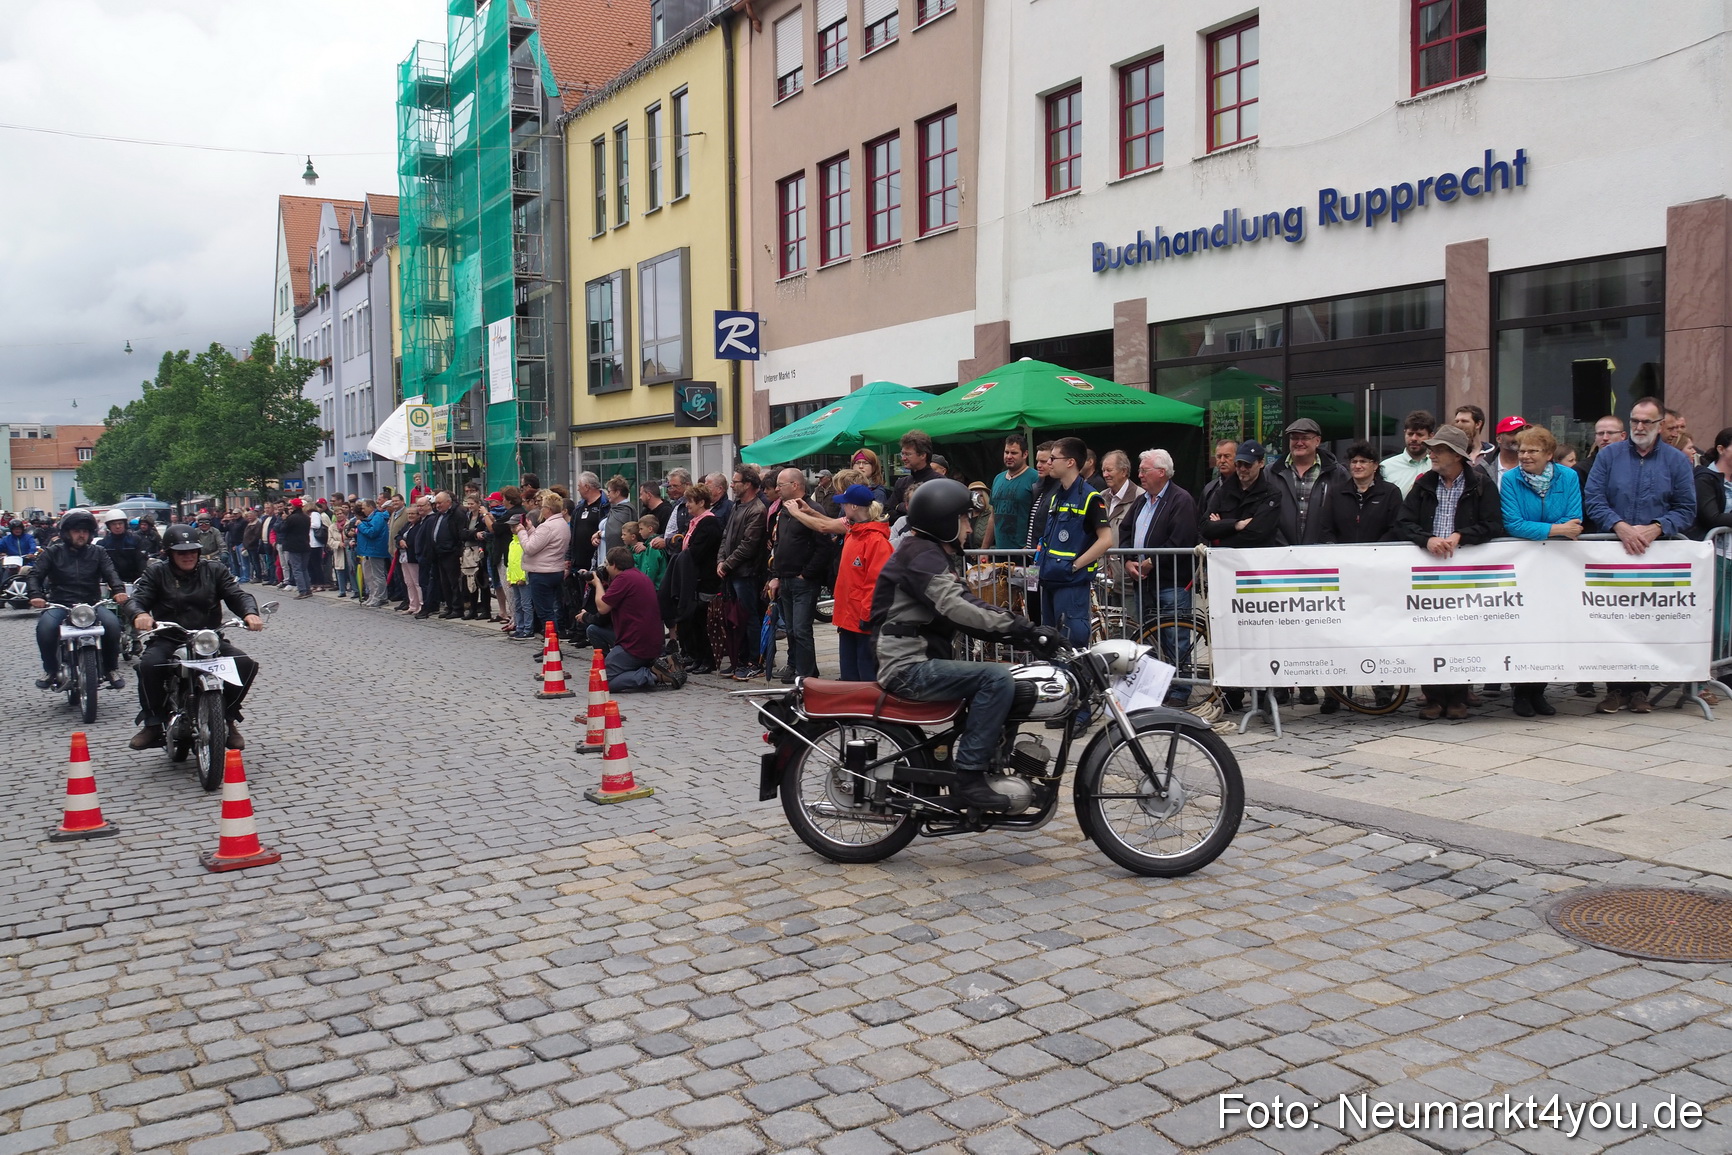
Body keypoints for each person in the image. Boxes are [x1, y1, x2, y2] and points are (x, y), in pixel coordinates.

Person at [872, 478, 1060, 812]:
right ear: (943, 520)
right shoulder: (920, 556)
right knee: (996, 678)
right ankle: (970, 776)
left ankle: (992, 761)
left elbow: (969, 607)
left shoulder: (928, 554)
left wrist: (1023, 632)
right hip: (908, 667)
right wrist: (1025, 629)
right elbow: (958, 608)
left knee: (1011, 679)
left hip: (919, 659)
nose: (969, 525)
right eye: (963, 518)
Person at [1584, 395, 1697, 714]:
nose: (1639, 426)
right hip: (1612, 551)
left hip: (1655, 554)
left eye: (1647, 421)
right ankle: (1614, 689)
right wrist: (1618, 525)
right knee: (1612, 621)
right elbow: (1593, 498)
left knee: (1647, 622)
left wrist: (1657, 527)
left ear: (1661, 425)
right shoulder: (1609, 456)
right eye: (1634, 420)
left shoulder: (1676, 461)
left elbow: (1687, 509)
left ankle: (1640, 691)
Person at [1392, 424, 1505, 719]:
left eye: (1438, 450)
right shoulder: (1424, 483)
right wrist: (1426, 539)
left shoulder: (1480, 483)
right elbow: (1403, 522)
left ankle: (1457, 697)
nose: (1432, 454)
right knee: (1428, 633)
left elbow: (1494, 524)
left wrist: (1461, 536)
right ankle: (1432, 696)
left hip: (1465, 573)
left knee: (1460, 632)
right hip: (1427, 572)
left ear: (1456, 455)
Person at [125, 525, 263, 751]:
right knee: (148, 665)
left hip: (208, 639)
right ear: (169, 553)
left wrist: (250, 612)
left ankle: (228, 717)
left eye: (192, 551)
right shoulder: (157, 572)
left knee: (245, 663)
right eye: (181, 552)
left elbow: (236, 593)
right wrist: (139, 614)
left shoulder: (215, 570)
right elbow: (138, 598)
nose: (188, 556)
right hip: (169, 637)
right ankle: (153, 722)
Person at [1499, 424, 1583, 718]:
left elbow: (1575, 517)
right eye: (1521, 450)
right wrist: (1557, 529)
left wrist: (1555, 528)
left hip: (1558, 564)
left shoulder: (1569, 476)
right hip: (1524, 566)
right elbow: (1513, 523)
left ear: (1549, 454)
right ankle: (1520, 693)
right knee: (1524, 627)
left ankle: (1539, 691)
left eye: (1532, 451)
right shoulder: (1510, 480)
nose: (1524, 455)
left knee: (1551, 627)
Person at [1035, 437, 1114, 731]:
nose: (1047, 462)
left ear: (1070, 462)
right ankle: (1061, 707)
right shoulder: (1056, 496)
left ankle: (1080, 712)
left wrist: (1076, 565)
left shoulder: (1091, 497)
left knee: (1075, 647)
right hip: (1049, 581)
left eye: (1053, 458)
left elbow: (1106, 539)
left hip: (1071, 585)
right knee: (1052, 647)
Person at [1120, 449, 1198, 708]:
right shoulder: (1143, 500)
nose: (1139, 475)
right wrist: (1128, 560)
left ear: (1161, 472)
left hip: (1170, 581)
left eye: (1144, 470)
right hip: (1144, 581)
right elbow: (1125, 529)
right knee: (1150, 637)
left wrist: (1151, 563)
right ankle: (1158, 686)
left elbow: (1181, 538)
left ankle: (1181, 688)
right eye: (1140, 470)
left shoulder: (1180, 499)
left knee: (1175, 637)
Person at [26, 510, 128, 691]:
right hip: (61, 604)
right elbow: (35, 575)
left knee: (113, 626)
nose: (81, 534)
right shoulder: (52, 552)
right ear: (66, 533)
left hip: (91, 604)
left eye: (85, 531)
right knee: (45, 628)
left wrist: (119, 590)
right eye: (76, 530)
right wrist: (35, 595)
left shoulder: (98, 552)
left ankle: (111, 668)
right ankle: (50, 670)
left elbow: (111, 573)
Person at [587, 547, 683, 691]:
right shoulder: (638, 575)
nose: (605, 568)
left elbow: (602, 608)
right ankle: (620, 665)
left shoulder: (623, 579)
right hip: (651, 642)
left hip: (635, 645)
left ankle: (653, 674)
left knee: (601, 680)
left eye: (607, 564)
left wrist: (598, 584)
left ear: (614, 565)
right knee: (594, 630)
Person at [767, 468, 826, 683]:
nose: (776, 489)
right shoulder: (784, 510)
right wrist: (775, 575)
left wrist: (807, 573)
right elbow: (779, 544)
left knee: (801, 629)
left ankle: (808, 673)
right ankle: (795, 666)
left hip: (803, 581)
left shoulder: (812, 509)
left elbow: (824, 546)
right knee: (791, 629)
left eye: (780, 485)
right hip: (785, 578)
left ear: (795, 485)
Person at [829, 485, 893, 682]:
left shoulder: (876, 541)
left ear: (854, 507)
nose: (843, 508)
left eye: (845, 504)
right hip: (848, 618)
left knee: (866, 676)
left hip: (863, 621)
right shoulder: (853, 534)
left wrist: (867, 615)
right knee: (849, 675)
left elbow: (877, 584)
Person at [717, 466, 769, 679]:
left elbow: (749, 545)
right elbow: (726, 536)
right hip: (732, 572)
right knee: (735, 618)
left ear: (748, 484)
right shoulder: (737, 506)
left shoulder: (757, 509)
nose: (732, 484)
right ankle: (740, 658)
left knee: (749, 617)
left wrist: (727, 564)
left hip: (746, 573)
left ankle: (754, 660)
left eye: (736, 481)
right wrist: (721, 560)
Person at [665, 485, 723, 672]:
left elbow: (697, 552)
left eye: (690, 501)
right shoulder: (695, 522)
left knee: (702, 621)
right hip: (693, 579)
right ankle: (696, 657)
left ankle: (708, 660)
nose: (687, 505)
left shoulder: (709, 523)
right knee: (693, 621)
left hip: (705, 580)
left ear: (701, 502)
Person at [1200, 442, 1281, 549]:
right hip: (1224, 561)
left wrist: (1221, 532)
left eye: (1248, 464)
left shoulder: (1271, 494)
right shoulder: (1222, 491)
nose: (1242, 469)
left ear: (1261, 463)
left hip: (1257, 560)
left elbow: (1258, 534)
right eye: (1238, 464)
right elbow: (1205, 528)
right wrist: (1236, 525)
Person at [1321, 442, 1403, 545]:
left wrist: (1376, 549)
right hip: (1342, 556)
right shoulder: (1335, 492)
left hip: (1380, 555)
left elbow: (1395, 527)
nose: (1357, 466)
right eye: (1354, 462)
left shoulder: (1391, 492)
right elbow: (1326, 527)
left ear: (1375, 466)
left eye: (1363, 461)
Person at [516, 492, 571, 638]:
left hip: (542, 573)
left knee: (545, 612)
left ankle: (552, 645)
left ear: (549, 509)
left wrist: (521, 532)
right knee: (551, 609)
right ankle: (551, 644)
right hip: (555, 570)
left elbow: (530, 547)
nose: (541, 510)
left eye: (543, 507)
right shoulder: (562, 524)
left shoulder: (547, 526)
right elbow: (544, 542)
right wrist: (531, 530)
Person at [988, 434, 1036, 550]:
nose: (1009, 456)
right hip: (999, 552)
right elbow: (993, 516)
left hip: (1024, 553)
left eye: (1014, 453)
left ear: (1025, 454)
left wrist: (1030, 546)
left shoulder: (1035, 478)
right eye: (1006, 452)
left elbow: (1041, 517)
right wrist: (985, 549)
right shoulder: (998, 478)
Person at [1380, 411, 1436, 496]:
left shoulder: (1436, 466)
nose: (1414, 438)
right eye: (1410, 434)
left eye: (1419, 434)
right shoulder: (1385, 468)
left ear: (1431, 436)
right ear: (1404, 433)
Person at [890, 430, 940, 517]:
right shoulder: (901, 483)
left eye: (908, 454)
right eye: (902, 454)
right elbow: (888, 512)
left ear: (923, 455)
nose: (903, 458)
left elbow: (932, 513)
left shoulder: (938, 483)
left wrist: (900, 506)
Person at [355, 499, 392, 607]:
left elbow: (372, 532)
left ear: (371, 507)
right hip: (369, 550)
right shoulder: (371, 518)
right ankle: (373, 595)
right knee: (370, 576)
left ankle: (381, 597)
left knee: (378, 575)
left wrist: (361, 525)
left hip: (376, 550)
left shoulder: (378, 517)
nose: (362, 510)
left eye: (364, 507)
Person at [99, 512, 149, 585]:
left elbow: (141, 562)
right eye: (114, 524)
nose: (117, 526)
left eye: (120, 523)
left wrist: (141, 580)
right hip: (110, 583)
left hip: (133, 582)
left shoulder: (135, 540)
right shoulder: (103, 543)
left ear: (125, 524)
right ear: (108, 526)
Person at [278, 498, 313, 599]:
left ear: (293, 506)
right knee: (304, 569)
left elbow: (282, 529)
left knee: (297, 569)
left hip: (294, 546)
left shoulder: (291, 518)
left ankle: (302, 590)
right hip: (305, 544)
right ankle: (308, 589)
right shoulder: (307, 517)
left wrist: (284, 520)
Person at [1485, 416, 1528, 490]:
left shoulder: (1534, 464)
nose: (1518, 437)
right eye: (1512, 433)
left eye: (1522, 433)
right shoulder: (1484, 467)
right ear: (1499, 439)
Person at [1202, 439, 1238, 510]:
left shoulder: (1245, 486)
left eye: (1227, 456)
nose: (1222, 461)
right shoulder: (1209, 489)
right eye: (1219, 456)